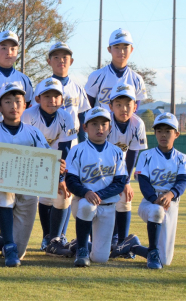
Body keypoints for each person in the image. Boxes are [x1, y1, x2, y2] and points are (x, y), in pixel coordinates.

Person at [0, 82, 53, 266]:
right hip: (2, 187)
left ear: (25, 105)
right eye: (8, 101)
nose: (13, 105)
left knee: (19, 252)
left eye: (17, 101)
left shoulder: (34, 132)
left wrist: (57, 168)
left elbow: (47, 161)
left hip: (28, 190)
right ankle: (8, 246)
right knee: (4, 190)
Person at [64, 107, 130, 267]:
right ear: (85, 127)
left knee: (100, 258)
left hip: (107, 205)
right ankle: (81, 249)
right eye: (94, 124)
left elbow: (120, 182)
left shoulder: (117, 152)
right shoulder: (77, 150)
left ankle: (78, 244)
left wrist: (98, 194)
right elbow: (71, 180)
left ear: (110, 128)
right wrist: (86, 192)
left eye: (103, 124)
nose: (99, 128)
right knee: (87, 206)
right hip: (82, 201)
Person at [129, 113, 186, 269]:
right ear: (155, 133)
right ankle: (152, 252)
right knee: (157, 211)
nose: (163, 134)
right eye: (159, 130)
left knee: (165, 260)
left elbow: (183, 180)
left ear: (176, 134)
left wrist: (171, 194)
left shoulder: (182, 158)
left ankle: (133, 246)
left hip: (171, 204)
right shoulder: (146, 155)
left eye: (168, 130)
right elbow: (143, 182)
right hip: (149, 203)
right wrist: (153, 198)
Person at [21, 78, 76, 255]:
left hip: (59, 162)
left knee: (62, 194)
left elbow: (64, 150)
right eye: (47, 96)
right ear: (38, 99)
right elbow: (25, 145)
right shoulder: (28, 115)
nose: (52, 100)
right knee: (44, 198)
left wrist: (61, 178)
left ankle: (58, 237)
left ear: (62, 99)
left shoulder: (66, 117)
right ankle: (47, 236)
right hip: (34, 160)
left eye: (56, 96)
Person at [106, 82, 147, 256]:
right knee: (105, 202)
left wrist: (126, 181)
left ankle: (122, 242)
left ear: (135, 106)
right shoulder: (104, 122)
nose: (124, 108)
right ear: (110, 106)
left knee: (124, 197)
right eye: (119, 104)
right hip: (102, 167)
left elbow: (132, 154)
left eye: (128, 104)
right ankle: (109, 239)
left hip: (122, 168)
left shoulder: (137, 124)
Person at [85, 28, 147, 112]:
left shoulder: (137, 79)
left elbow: (134, 112)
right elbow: (87, 108)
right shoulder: (96, 76)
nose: (121, 51)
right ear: (109, 49)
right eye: (117, 47)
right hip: (102, 124)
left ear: (131, 49)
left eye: (125, 47)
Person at [0, 30, 33, 105]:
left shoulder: (24, 79)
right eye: (4, 48)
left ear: (17, 53)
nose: (9, 52)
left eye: (13, 49)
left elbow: (28, 107)